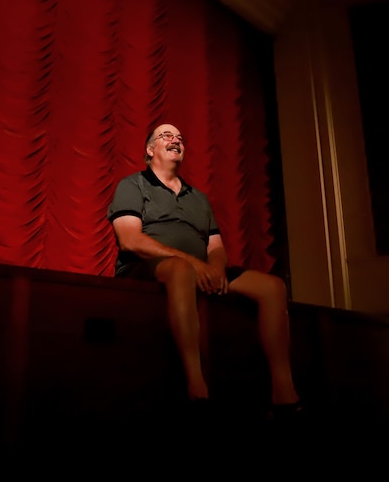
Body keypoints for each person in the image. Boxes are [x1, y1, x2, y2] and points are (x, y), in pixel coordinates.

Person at [107, 123, 302, 420]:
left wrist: (215, 268)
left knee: (272, 287)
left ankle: (283, 393)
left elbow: (216, 246)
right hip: (147, 267)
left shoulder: (197, 197)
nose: (175, 140)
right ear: (149, 150)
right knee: (181, 268)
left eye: (180, 138)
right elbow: (130, 240)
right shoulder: (133, 185)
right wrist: (195, 264)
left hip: (196, 266)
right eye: (166, 136)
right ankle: (196, 384)